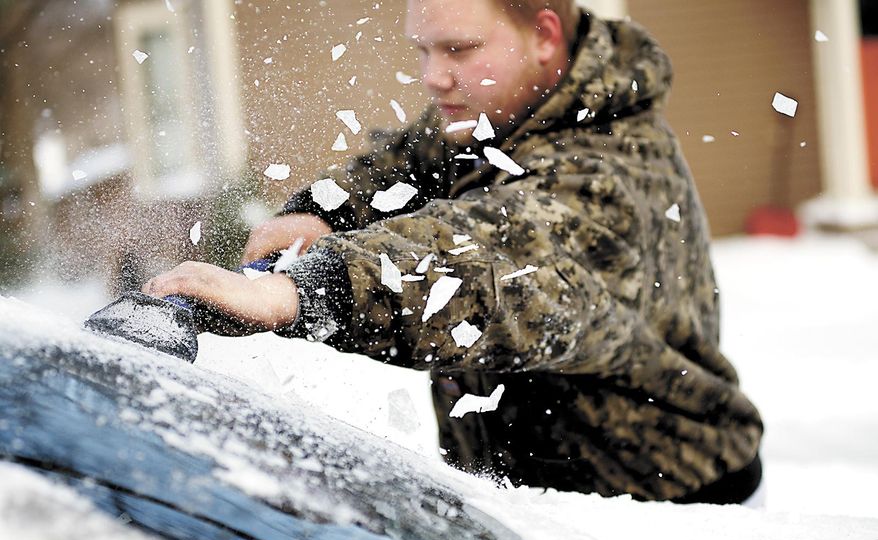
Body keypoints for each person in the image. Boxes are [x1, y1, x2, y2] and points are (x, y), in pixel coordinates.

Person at [144, 0, 764, 503]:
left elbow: (492, 262)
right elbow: (413, 160)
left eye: (459, 49)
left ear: (545, 35)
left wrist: (306, 291)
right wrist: (326, 210)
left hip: (663, 519)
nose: (433, 75)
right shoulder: (503, 112)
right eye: (423, 49)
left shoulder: (612, 175)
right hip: (535, 503)